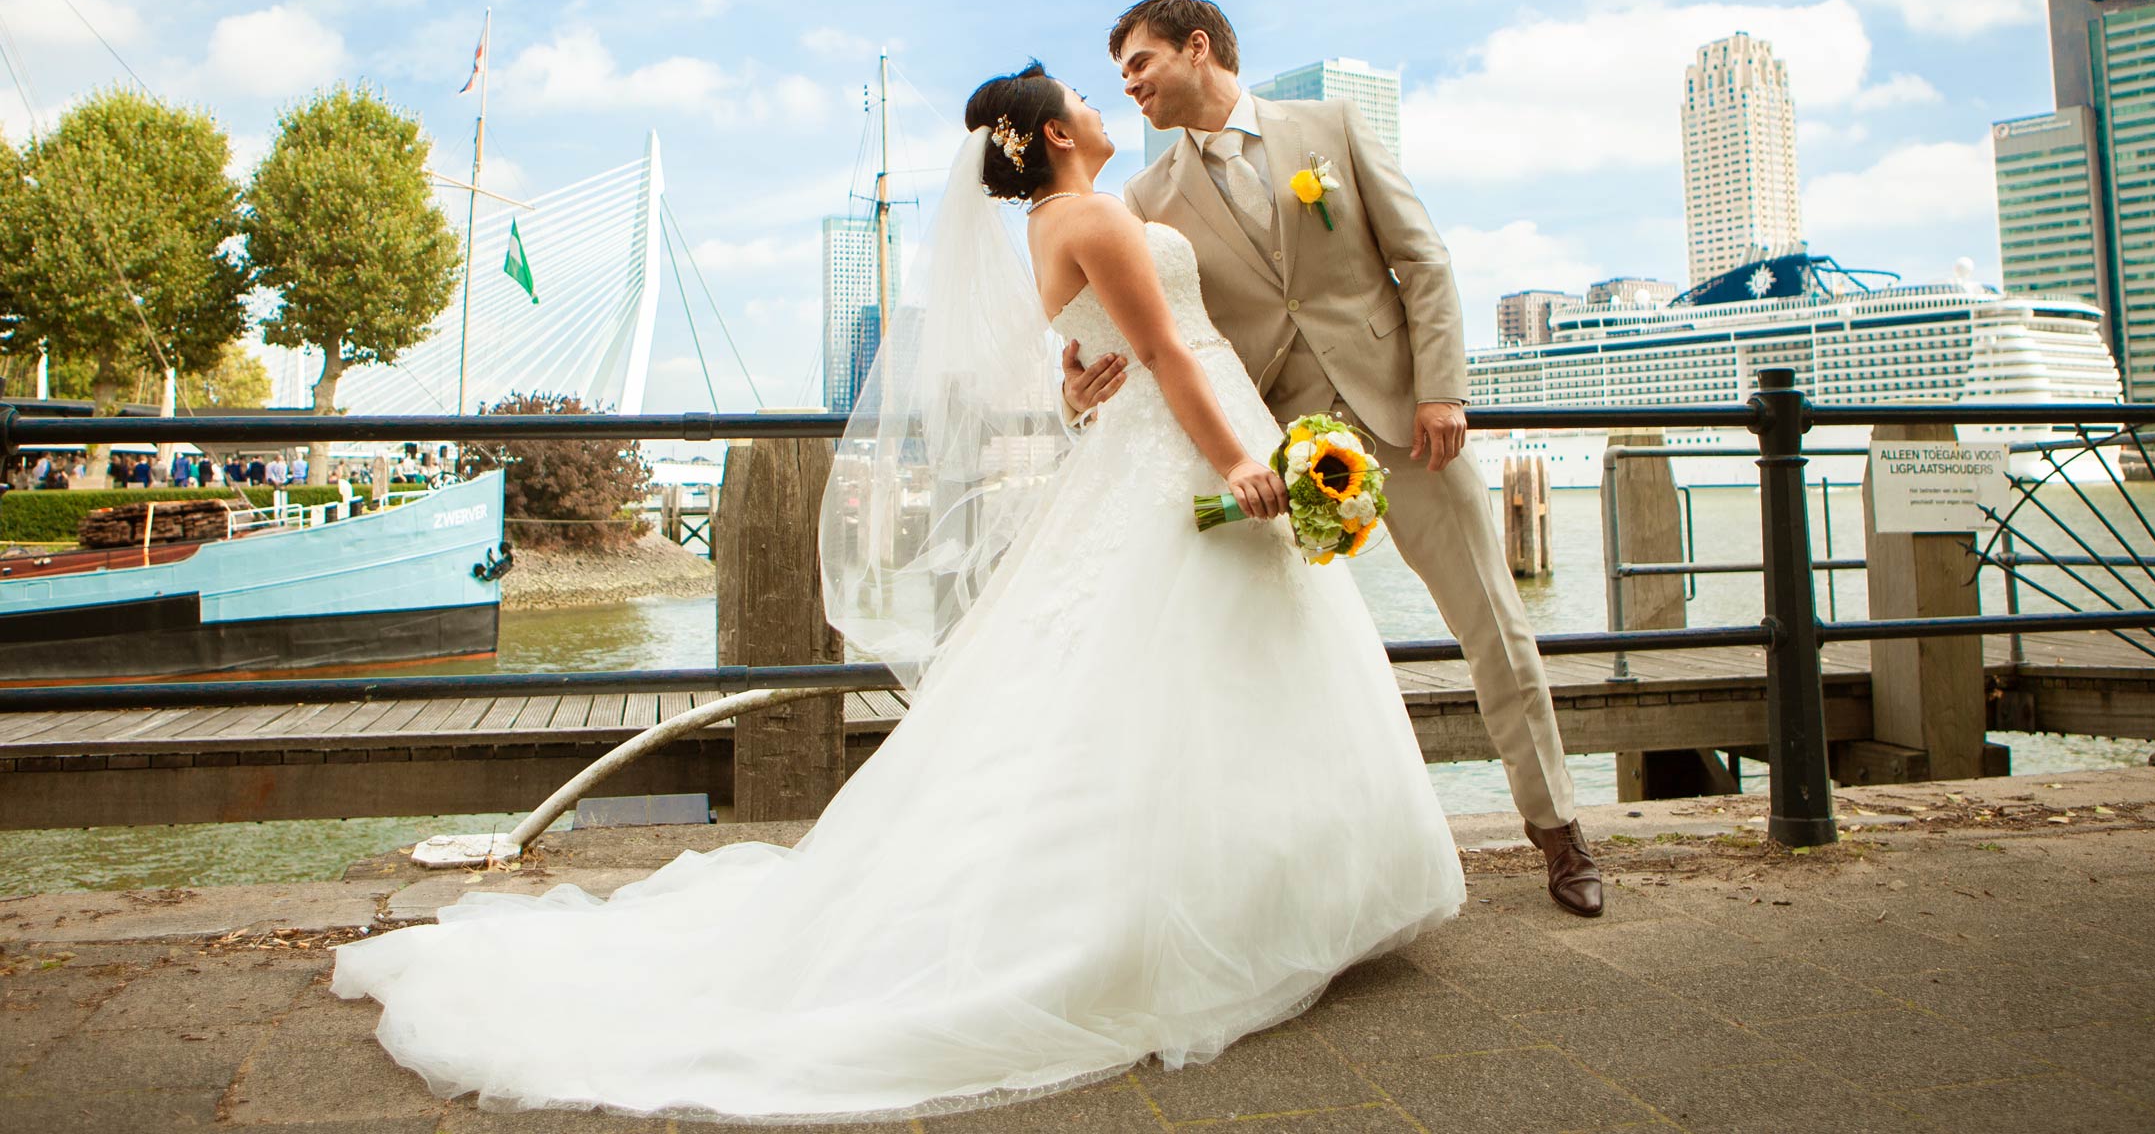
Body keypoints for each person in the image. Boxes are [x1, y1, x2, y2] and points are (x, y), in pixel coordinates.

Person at [331, 62, 1464, 1123]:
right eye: (1083, 94)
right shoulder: (1098, 216)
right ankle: (1232, 903)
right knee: (1198, 666)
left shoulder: (1047, 226)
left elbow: (1084, 359)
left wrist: (1078, 390)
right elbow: (1166, 352)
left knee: (1160, 670)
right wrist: (1237, 462)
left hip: (1145, 446)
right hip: (1190, 441)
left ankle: (1245, 889)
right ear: (1056, 133)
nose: (1101, 100)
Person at [1077, 0, 1602, 918]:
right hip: (1276, 454)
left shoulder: (1332, 127)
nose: (1129, 87)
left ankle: (1558, 830)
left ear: (1197, 48)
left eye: (1140, 64)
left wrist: (1441, 390)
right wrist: (1077, 390)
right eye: (1121, 75)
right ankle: (1302, 869)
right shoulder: (1146, 199)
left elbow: (1423, 261)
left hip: (1408, 424)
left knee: (1493, 622)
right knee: (1282, 651)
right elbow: (1144, 334)